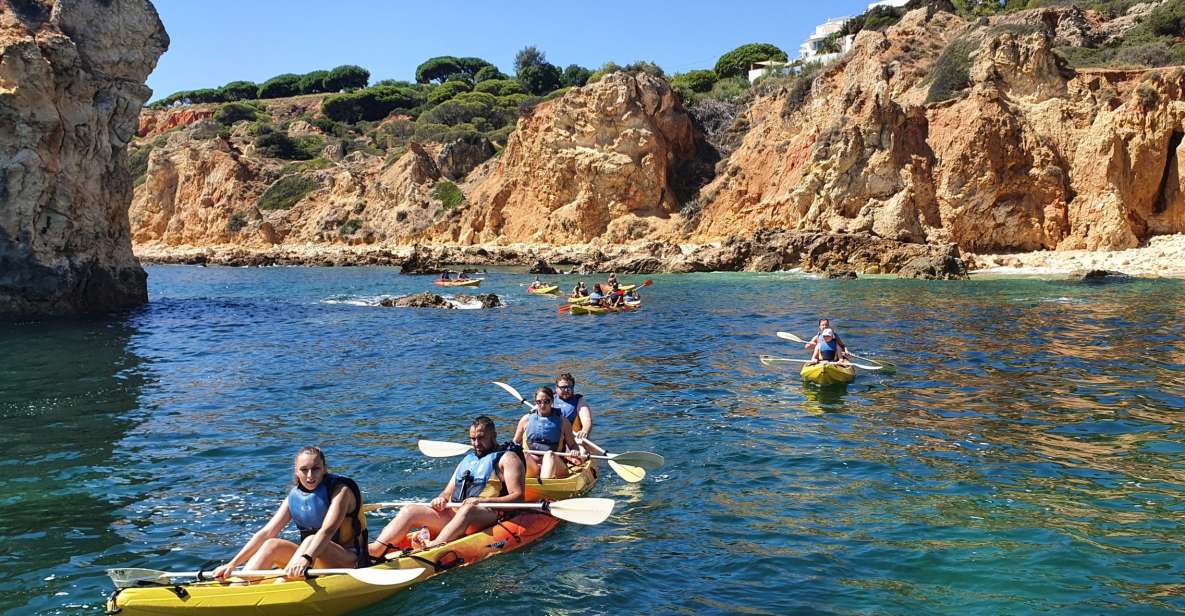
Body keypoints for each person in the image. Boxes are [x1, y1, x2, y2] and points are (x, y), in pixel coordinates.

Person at [368, 417, 525, 557]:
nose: (476, 443)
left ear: (494, 436)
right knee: (410, 510)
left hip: (487, 515)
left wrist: (481, 502)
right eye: (472, 439)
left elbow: (518, 497)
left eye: (481, 438)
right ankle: (376, 549)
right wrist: (441, 499)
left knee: (468, 509)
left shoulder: (508, 459)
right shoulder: (467, 461)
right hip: (456, 515)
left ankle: (433, 547)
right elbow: (447, 492)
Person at [212, 447, 368, 580]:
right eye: (304, 470)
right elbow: (267, 532)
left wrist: (306, 558)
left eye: (316, 469)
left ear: (324, 469)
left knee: (310, 540)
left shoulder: (341, 491)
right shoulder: (294, 496)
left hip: (349, 559)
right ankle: (240, 584)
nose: (309, 476)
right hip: (311, 557)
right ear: (296, 471)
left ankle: (283, 585)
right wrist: (233, 564)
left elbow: (328, 530)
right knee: (271, 544)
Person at [513, 386, 584, 479]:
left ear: (552, 402)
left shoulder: (563, 421)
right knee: (523, 454)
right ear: (536, 402)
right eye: (539, 402)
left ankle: (545, 484)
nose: (542, 405)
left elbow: (573, 445)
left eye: (546, 401)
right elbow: (515, 443)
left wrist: (575, 451)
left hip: (556, 465)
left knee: (549, 454)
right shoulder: (526, 419)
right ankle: (529, 481)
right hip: (533, 466)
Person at [552, 373, 593, 441]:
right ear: (556, 388)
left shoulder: (579, 400)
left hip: (573, 435)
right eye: (563, 388)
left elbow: (587, 420)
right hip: (554, 434)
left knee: (582, 447)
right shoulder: (549, 399)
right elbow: (535, 412)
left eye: (569, 387)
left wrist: (584, 431)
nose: (566, 390)